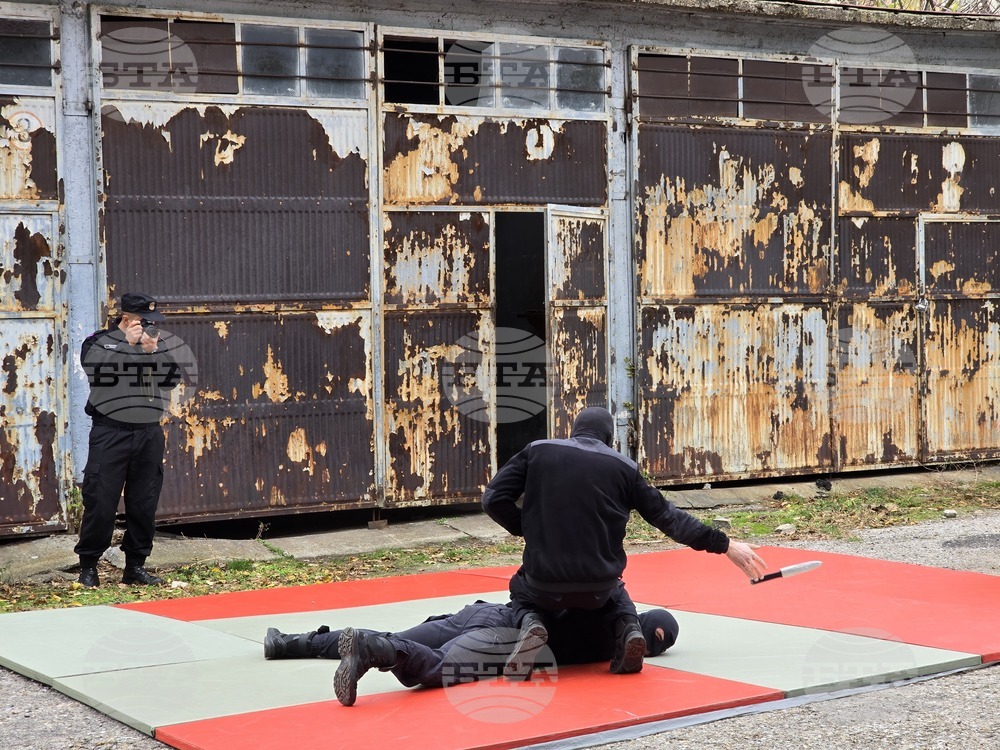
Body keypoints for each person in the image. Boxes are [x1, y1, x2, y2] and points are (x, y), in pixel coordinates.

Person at [481, 406, 766, 678]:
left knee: (521, 589)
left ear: (573, 431)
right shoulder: (625, 468)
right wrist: (725, 544)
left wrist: (527, 528)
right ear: (609, 438)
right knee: (617, 592)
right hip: (598, 588)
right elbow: (669, 518)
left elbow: (493, 499)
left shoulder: (538, 451)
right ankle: (630, 628)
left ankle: (531, 623)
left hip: (543, 583)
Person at [262, 601, 679, 707]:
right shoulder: (607, 636)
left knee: (396, 635)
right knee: (436, 666)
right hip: (497, 639)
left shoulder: (598, 596)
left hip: (481, 611)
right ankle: (377, 651)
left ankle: (286, 643)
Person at [74, 292, 181, 587]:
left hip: (148, 432)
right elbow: (96, 372)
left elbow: (171, 379)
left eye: (152, 322)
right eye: (144, 321)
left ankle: (135, 566)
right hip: (111, 432)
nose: (149, 326)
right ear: (127, 318)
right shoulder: (100, 342)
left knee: (144, 502)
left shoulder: (153, 345)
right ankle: (89, 567)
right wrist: (126, 346)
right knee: (101, 500)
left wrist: (152, 353)